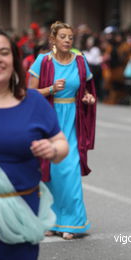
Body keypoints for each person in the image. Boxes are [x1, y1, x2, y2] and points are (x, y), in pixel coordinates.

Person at [0, 27, 68, 259]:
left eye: (4, 52)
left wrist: (53, 149)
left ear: (14, 59)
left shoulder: (34, 102)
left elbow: (61, 144)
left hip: (21, 215)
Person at [28, 21, 96, 240]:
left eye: (70, 37)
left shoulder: (80, 61)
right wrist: (50, 89)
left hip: (73, 121)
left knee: (70, 170)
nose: (68, 40)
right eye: (63, 37)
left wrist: (88, 98)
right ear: (53, 40)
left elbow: (87, 90)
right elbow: (29, 95)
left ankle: (73, 222)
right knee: (51, 172)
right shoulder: (42, 61)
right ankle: (52, 220)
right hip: (49, 119)